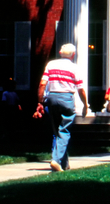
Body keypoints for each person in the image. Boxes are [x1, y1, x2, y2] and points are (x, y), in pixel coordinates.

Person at [35, 43, 89, 172]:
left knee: (57, 131)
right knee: (64, 131)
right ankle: (56, 160)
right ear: (73, 55)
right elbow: (80, 89)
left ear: (60, 52)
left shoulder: (51, 64)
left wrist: (40, 102)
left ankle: (64, 164)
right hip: (66, 98)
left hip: (52, 98)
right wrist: (85, 104)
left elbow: (43, 83)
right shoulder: (74, 68)